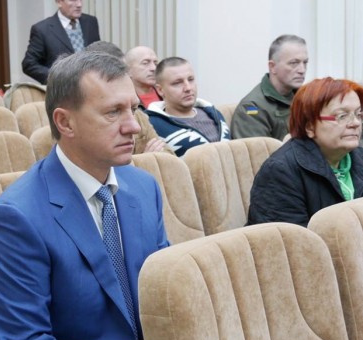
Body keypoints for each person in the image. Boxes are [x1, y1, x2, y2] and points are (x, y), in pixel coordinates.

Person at [0, 50, 169, 340]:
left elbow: (161, 292)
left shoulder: (144, 188)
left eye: (133, 109)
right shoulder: (15, 218)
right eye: (113, 112)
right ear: (65, 122)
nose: (134, 126)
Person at [248, 77, 363, 227]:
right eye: (342, 116)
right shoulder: (280, 171)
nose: (355, 123)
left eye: (359, 114)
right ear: (310, 126)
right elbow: (288, 239)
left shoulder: (359, 157)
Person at [85, 40, 169, 155]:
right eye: (145, 63)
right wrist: (146, 160)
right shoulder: (85, 117)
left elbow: (167, 153)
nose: (153, 68)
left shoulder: (140, 115)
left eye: (156, 62)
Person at [146, 57, 231, 157]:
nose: (188, 88)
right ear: (160, 90)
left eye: (190, 80)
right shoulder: (151, 125)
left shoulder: (215, 113)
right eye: (177, 83)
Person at [232, 34, 308, 140]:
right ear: (273, 67)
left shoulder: (305, 97)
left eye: (305, 63)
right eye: (294, 63)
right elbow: (257, 150)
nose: (302, 70)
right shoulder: (253, 107)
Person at [22, 0, 100, 85]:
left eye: (81, 0)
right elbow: (29, 64)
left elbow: (99, 54)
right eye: (73, 0)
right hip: (62, 89)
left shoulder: (91, 22)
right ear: (59, 2)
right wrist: (57, 78)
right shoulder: (42, 29)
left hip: (91, 87)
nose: (79, 4)